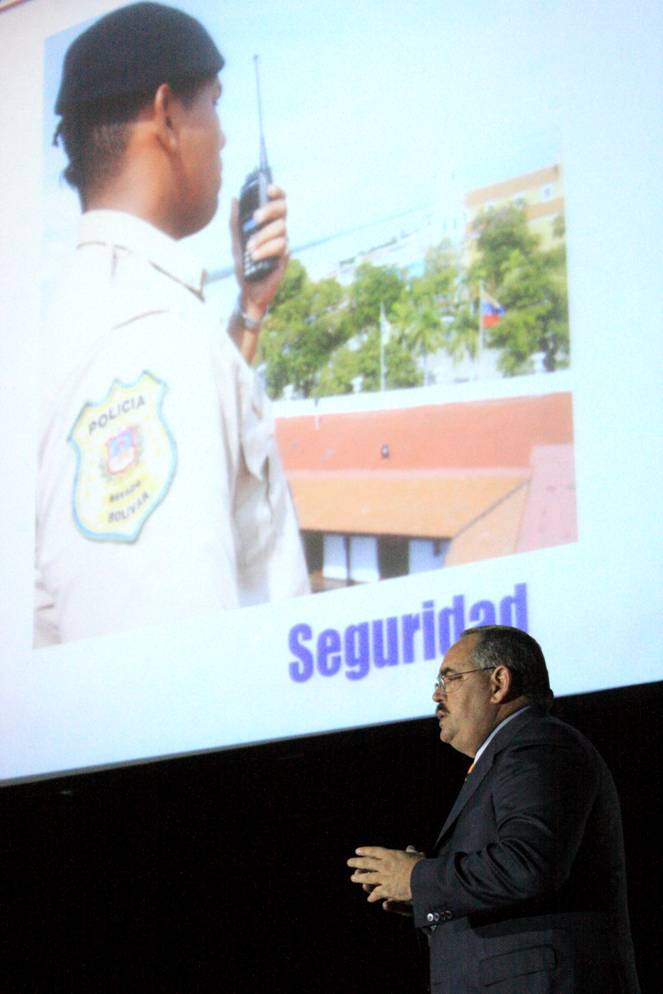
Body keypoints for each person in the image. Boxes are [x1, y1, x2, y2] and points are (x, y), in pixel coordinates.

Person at [35, 2, 310, 646]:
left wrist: (251, 307)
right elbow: (169, 665)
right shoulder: (149, 338)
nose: (224, 137)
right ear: (166, 116)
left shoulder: (100, 307)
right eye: (213, 104)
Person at [348, 625, 641, 994]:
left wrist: (418, 878)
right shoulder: (509, 755)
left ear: (498, 683)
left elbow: (528, 864)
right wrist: (426, 889)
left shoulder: (538, 745)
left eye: (449, 678)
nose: (436, 694)